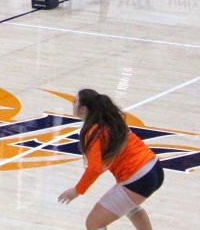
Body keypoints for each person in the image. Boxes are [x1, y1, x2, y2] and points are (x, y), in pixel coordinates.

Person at [57, 89, 164, 228]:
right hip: (155, 169)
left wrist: (76, 190)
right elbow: (103, 165)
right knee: (130, 206)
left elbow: (95, 169)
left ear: (83, 109)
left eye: (74, 102)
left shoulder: (93, 132)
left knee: (93, 223)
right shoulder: (112, 120)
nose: (72, 104)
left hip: (138, 177)